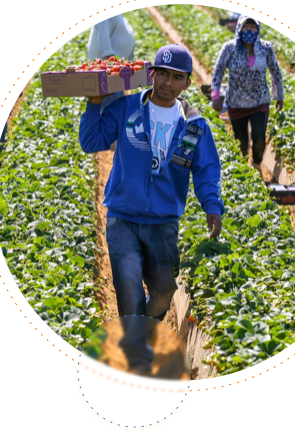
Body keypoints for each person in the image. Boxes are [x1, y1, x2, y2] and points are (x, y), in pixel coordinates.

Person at [79, 43, 225, 377]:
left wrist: (212, 207)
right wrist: (94, 102)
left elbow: (205, 171)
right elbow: (91, 142)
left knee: (163, 292)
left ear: (187, 82)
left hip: (163, 222)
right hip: (122, 218)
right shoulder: (127, 108)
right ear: (152, 74)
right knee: (128, 290)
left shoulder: (194, 126)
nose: (168, 83)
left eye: (177, 78)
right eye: (163, 74)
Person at [211, 14, 284, 172]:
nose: (249, 30)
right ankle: (243, 169)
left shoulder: (265, 48)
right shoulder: (230, 48)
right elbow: (218, 71)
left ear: (258, 30)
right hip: (236, 102)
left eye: (252, 27)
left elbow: (275, 72)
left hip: (260, 100)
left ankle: (257, 164)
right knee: (241, 140)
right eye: (246, 27)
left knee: (258, 136)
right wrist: (215, 95)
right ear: (239, 29)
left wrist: (279, 96)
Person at [88, 14, 136, 112]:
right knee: (113, 108)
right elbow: (103, 40)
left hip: (117, 71)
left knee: (119, 108)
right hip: (110, 73)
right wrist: (111, 66)